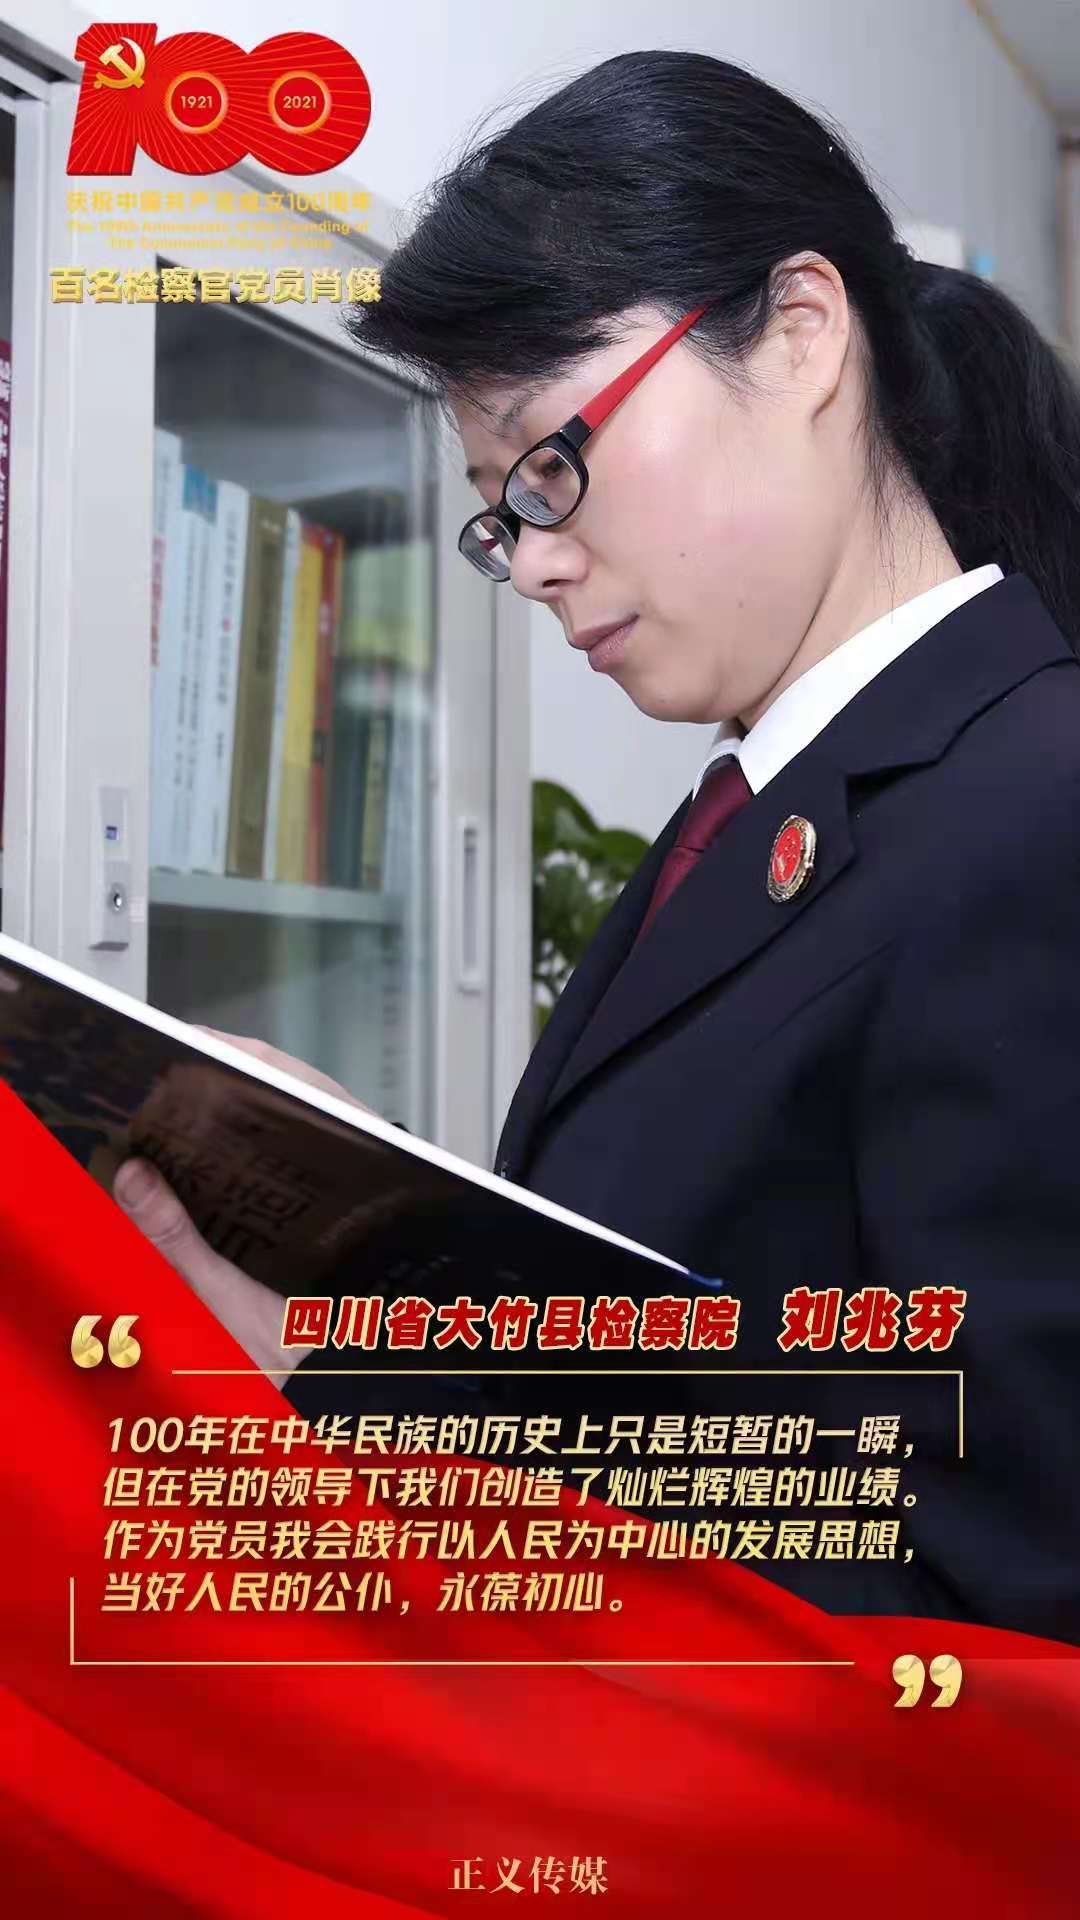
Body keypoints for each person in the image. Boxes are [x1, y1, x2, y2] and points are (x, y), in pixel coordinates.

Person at [114, 50, 1080, 1640]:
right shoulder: (754, 810)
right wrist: (367, 1211)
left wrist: (343, 1394)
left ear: (802, 333)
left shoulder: (1032, 806)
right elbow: (708, 1329)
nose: (535, 563)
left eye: (553, 466)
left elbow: (1000, 1582)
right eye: (502, 512)